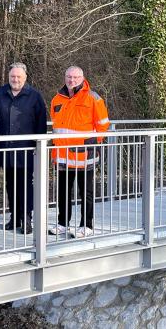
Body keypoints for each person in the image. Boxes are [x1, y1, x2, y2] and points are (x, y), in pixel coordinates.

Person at [48, 66, 110, 238]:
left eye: (75, 77)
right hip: (63, 155)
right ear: (64, 77)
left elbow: (103, 124)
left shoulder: (93, 98)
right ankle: (62, 223)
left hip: (84, 154)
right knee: (63, 192)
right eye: (69, 76)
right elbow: (56, 126)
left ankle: (86, 225)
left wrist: (92, 143)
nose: (72, 80)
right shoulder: (57, 99)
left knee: (86, 192)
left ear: (82, 78)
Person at [0, 62, 47, 234]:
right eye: (12, 76)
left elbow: (41, 124)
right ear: (8, 77)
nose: (15, 79)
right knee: (10, 184)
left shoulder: (34, 96)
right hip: (5, 149)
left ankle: (26, 217)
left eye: (19, 77)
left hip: (26, 150)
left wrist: (39, 146)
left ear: (25, 77)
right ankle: (14, 217)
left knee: (26, 184)